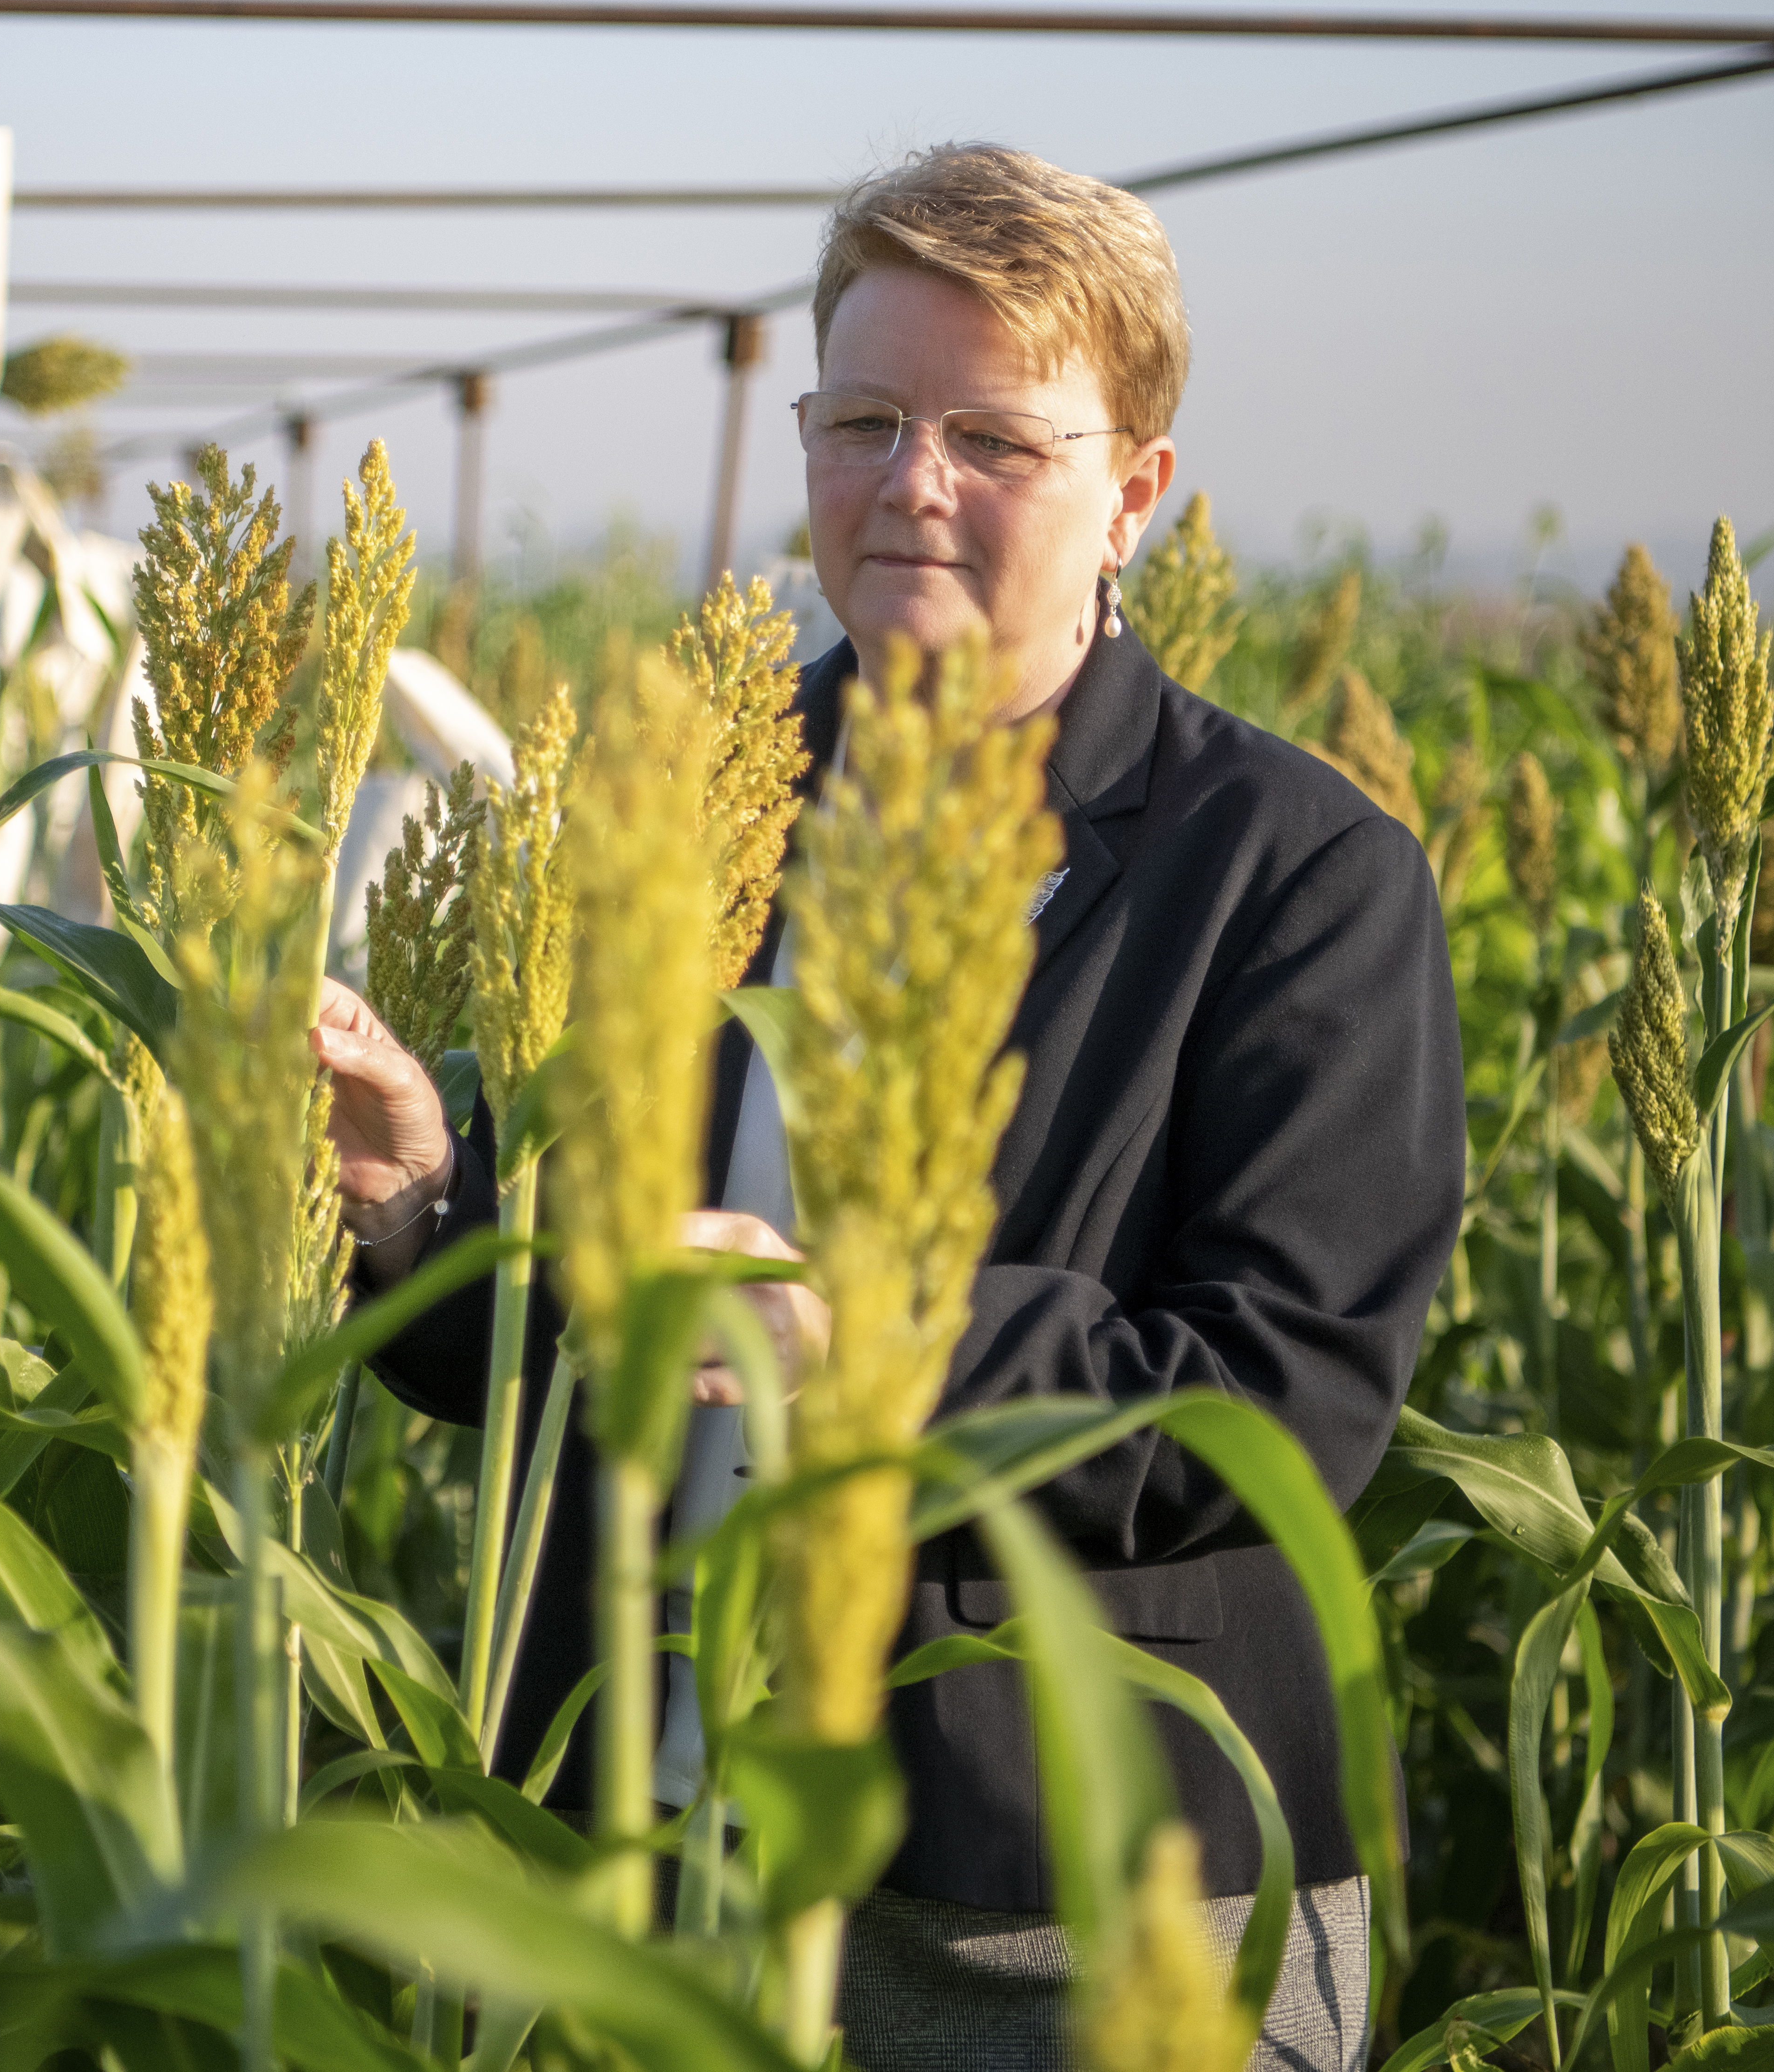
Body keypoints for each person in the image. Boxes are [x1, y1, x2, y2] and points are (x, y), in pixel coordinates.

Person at [310, 141, 1462, 2071]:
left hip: (1067, 1921)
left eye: (992, 437)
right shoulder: (703, 801)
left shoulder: (1294, 873)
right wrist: (429, 1197)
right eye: (860, 418)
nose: (909, 481)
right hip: (649, 1847)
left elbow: (1287, 1390)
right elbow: (576, 1313)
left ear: (1135, 493)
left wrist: (874, 1344)